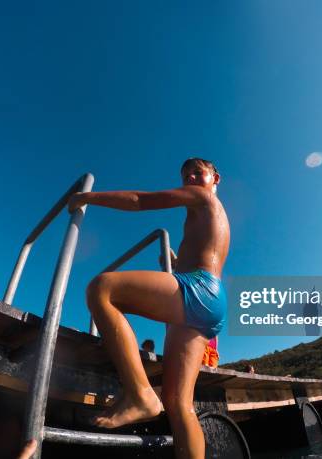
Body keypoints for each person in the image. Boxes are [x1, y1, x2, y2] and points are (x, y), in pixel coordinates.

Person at [67, 158, 229, 459]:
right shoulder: (211, 215)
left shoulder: (203, 197)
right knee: (179, 404)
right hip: (209, 303)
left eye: (198, 173)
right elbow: (208, 255)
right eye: (185, 175)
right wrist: (175, 261)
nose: (191, 178)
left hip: (199, 289)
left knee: (102, 288)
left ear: (215, 178)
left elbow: (140, 200)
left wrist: (85, 197)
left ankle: (140, 394)